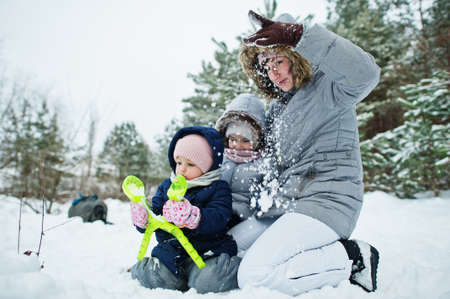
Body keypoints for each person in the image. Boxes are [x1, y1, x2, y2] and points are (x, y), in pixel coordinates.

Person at [229, 10, 381, 296]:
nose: (273, 71)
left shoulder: (330, 87)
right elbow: (270, 170)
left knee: (253, 275)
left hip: (327, 202)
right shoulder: (278, 109)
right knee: (230, 247)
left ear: (296, 57)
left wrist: (299, 36)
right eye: (265, 64)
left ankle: (351, 257)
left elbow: (368, 74)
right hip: (290, 206)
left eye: (279, 60)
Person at [129, 126, 239, 292]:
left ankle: (230, 269)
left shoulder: (218, 188)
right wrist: (145, 216)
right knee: (157, 278)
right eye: (179, 162)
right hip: (172, 253)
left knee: (209, 281)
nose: (182, 168)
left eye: (190, 164)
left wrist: (193, 217)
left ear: (207, 166)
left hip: (208, 251)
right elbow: (156, 210)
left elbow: (220, 216)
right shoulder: (167, 186)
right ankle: (151, 271)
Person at [215, 93, 265, 230]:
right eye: (233, 139)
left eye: (245, 140)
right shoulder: (220, 157)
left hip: (240, 216)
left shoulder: (262, 164)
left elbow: (264, 197)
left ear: (257, 141)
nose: (237, 146)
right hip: (214, 209)